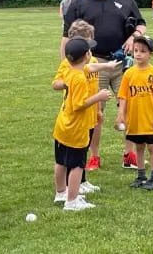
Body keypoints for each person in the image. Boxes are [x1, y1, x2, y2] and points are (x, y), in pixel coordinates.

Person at [61, 0, 147, 169]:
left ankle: (129, 155)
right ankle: (94, 156)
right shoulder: (79, 2)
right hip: (92, 63)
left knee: (129, 108)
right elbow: (66, 37)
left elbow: (141, 24)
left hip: (122, 62)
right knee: (94, 113)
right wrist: (66, 69)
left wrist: (133, 36)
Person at [52, 19, 119, 192]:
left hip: (89, 113)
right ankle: (73, 186)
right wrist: (69, 82)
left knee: (83, 149)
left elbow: (94, 77)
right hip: (77, 115)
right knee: (75, 155)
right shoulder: (70, 66)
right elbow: (56, 84)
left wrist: (98, 110)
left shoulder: (91, 62)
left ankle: (81, 182)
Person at [115, 36, 153, 191]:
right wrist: (121, 115)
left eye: (143, 51)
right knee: (138, 148)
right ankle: (141, 176)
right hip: (134, 119)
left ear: (151, 54)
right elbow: (123, 96)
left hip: (150, 119)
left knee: (152, 148)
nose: (138, 54)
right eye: (136, 51)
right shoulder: (129, 74)